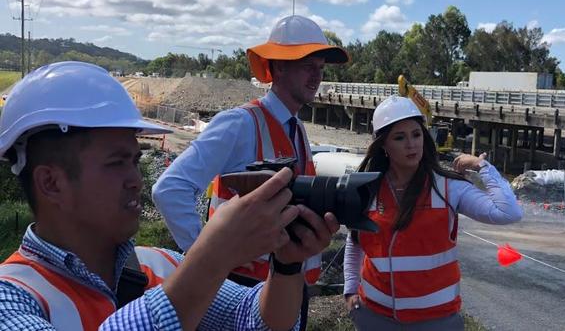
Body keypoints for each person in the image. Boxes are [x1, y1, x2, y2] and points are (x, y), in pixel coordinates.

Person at [0, 61, 339, 330]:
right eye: (116, 163)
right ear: (51, 183)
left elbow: (256, 322)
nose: (135, 179)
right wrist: (213, 256)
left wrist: (286, 264)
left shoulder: (161, 265)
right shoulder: (13, 297)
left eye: (134, 160)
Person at [153, 15, 349, 329]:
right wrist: (207, 262)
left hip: (285, 287)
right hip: (240, 292)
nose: (317, 76)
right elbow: (170, 189)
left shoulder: (296, 128)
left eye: (321, 67)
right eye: (307, 65)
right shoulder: (240, 123)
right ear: (279, 67)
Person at [343, 96, 523, 330]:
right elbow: (354, 241)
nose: (411, 144)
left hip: (437, 321)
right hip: (375, 316)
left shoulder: (448, 188)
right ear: (383, 145)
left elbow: (508, 213)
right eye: (400, 137)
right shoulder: (368, 189)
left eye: (416, 134)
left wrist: (482, 167)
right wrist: (349, 290)